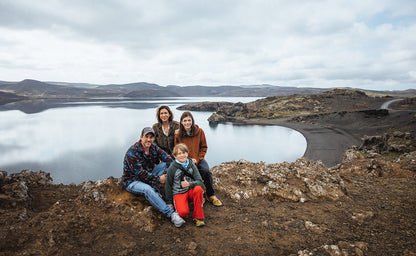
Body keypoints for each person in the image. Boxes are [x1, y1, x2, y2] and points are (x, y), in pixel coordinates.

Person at [122, 127, 185, 228]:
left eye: (151, 137)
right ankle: (171, 214)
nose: (149, 139)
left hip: (149, 175)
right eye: (146, 137)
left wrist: (164, 174)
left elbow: (169, 159)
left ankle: (157, 191)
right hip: (132, 181)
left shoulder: (153, 147)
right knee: (147, 189)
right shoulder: (132, 152)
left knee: (166, 164)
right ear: (141, 137)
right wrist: (158, 179)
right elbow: (140, 173)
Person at [174, 111, 223, 207]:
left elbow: (204, 147)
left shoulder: (199, 131)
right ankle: (202, 196)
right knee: (190, 175)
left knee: (206, 171)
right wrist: (187, 160)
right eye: (185, 121)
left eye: (189, 120)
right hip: (185, 162)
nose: (187, 123)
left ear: (192, 121)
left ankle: (211, 194)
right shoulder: (178, 135)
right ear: (181, 122)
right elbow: (177, 151)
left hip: (198, 159)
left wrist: (197, 158)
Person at [165, 143, 205, 227]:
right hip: (179, 193)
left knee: (198, 189)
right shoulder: (172, 168)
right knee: (183, 213)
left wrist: (189, 184)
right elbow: (168, 185)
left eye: (184, 153)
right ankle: (181, 207)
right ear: (175, 156)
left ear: (187, 153)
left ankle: (198, 217)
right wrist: (169, 202)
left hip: (189, 190)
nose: (182, 155)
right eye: (179, 153)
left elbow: (199, 181)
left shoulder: (191, 164)